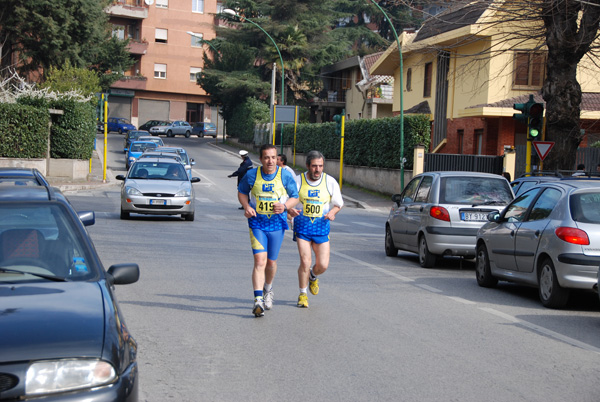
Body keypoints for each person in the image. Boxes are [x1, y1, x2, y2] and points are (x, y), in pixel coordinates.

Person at [238, 144, 298, 317]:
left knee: (271, 263)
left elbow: (295, 197)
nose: (270, 161)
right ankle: (258, 301)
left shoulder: (284, 175)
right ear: (261, 159)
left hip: (277, 225)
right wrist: (246, 206)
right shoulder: (251, 175)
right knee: (259, 261)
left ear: (277, 158)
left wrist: (285, 206)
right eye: (266, 157)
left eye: (273, 157)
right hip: (257, 224)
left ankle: (268, 289)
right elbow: (242, 192)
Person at [287, 150, 343, 308]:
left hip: (321, 227)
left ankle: (313, 276)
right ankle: (303, 294)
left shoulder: (330, 181)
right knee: (305, 261)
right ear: (307, 166)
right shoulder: (298, 181)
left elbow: (338, 203)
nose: (317, 169)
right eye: (314, 166)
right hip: (302, 227)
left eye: (320, 166)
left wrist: (332, 212)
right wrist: (290, 211)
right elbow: (287, 201)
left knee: (323, 265)